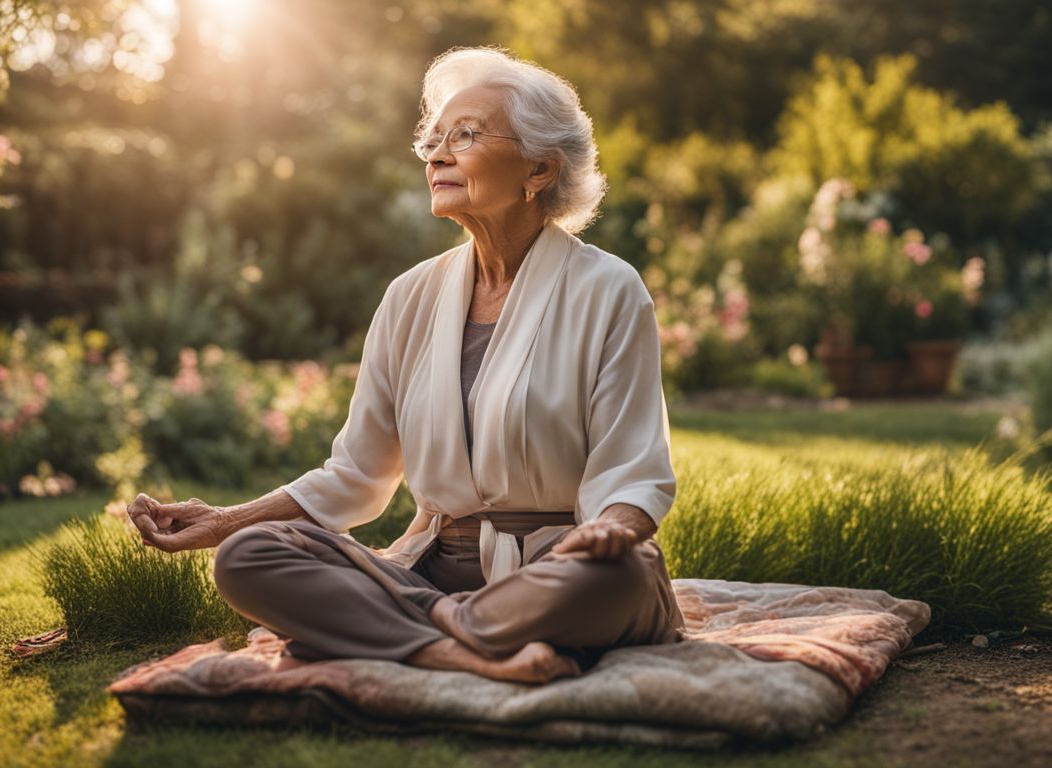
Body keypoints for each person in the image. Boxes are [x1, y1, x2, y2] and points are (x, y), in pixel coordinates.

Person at [126, 46, 685, 685]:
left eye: (465, 136)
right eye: (433, 139)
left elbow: (632, 472)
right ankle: (459, 646)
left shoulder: (609, 289)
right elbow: (356, 475)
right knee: (250, 556)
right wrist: (224, 522)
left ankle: (410, 633)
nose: (438, 155)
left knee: (623, 578)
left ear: (538, 168)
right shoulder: (410, 296)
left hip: (562, 568)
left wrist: (612, 530)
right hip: (428, 571)